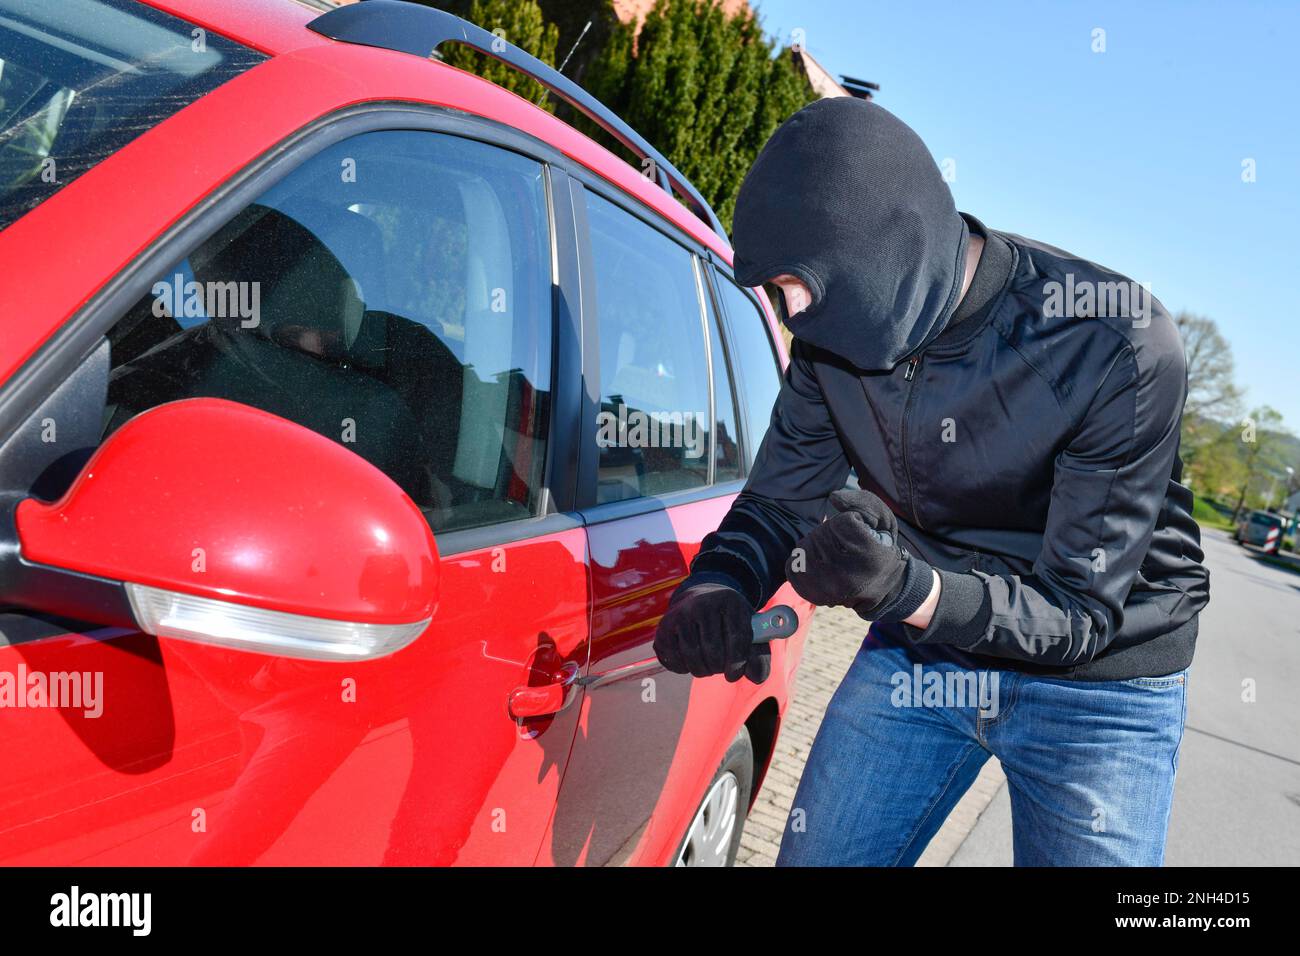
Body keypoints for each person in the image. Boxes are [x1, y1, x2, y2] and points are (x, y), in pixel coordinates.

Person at [652, 97, 1209, 866]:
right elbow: (782, 498)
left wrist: (909, 591)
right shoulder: (832, 339)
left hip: (1100, 686)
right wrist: (718, 585)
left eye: (793, 287)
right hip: (922, 656)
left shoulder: (1114, 346)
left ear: (883, 253)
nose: (788, 316)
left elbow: (1080, 610)